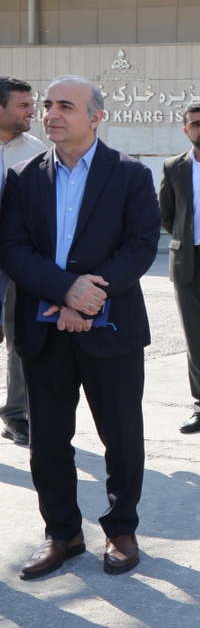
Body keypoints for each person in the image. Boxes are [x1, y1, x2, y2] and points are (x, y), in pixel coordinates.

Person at [0, 75, 160, 579]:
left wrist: (87, 300)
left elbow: (140, 246)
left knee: (122, 438)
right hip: (43, 330)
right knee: (48, 441)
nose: (50, 114)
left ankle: (121, 529)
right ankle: (62, 533)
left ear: (96, 117)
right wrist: (65, 291)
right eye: (48, 105)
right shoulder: (22, 177)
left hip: (111, 331)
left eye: (65, 106)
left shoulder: (131, 174)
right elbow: (12, 249)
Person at [158, 103, 200, 434]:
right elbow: (167, 215)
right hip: (188, 265)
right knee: (197, 343)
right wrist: (187, 241)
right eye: (196, 124)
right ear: (186, 130)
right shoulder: (173, 167)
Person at [0, 76, 43, 448]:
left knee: (21, 339)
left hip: (20, 260)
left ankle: (15, 414)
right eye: (23, 105)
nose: (33, 111)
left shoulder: (36, 151)